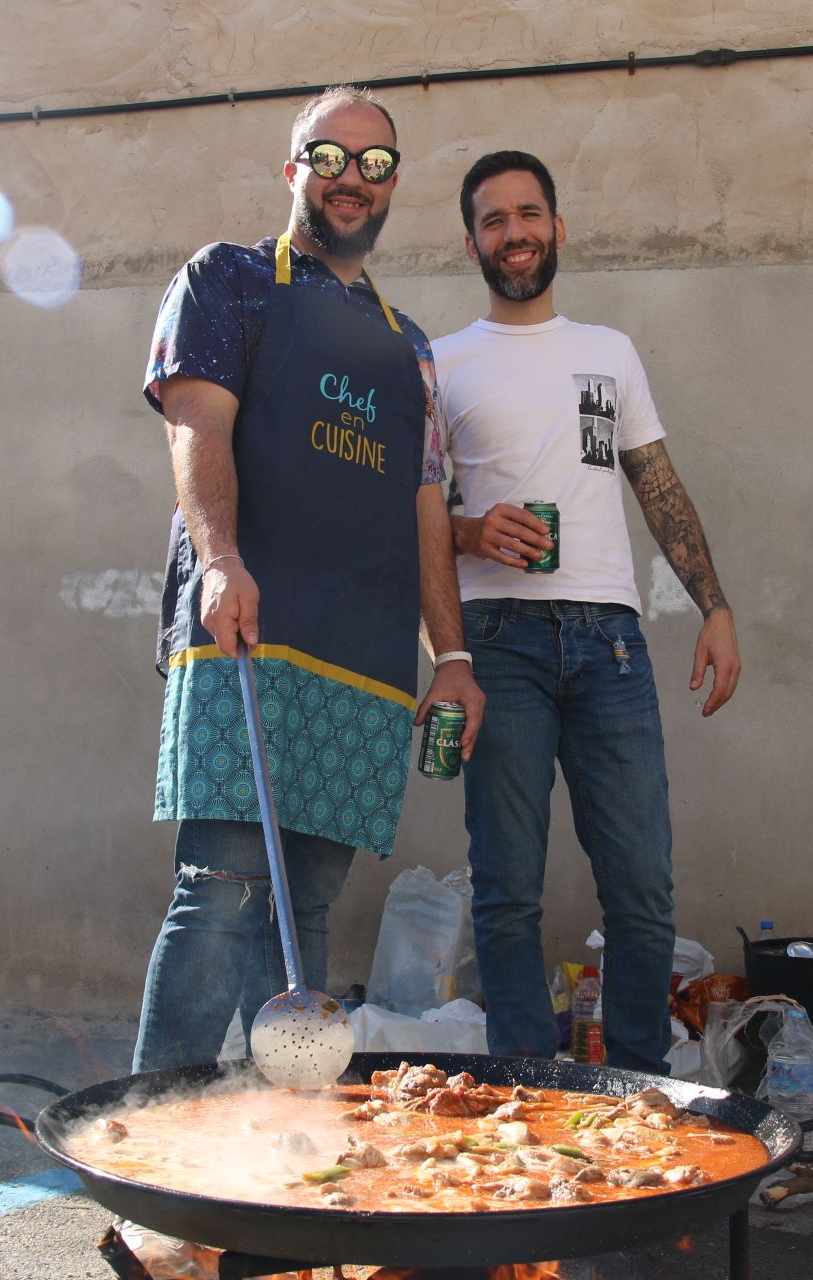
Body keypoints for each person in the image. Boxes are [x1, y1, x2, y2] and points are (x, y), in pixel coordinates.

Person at [133, 87, 484, 1073]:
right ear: (295, 170)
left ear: (393, 186)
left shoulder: (409, 346)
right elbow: (195, 424)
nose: (350, 179)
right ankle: (152, 1141)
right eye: (330, 157)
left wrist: (450, 656)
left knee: (307, 909)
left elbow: (424, 506)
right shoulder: (230, 280)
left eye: (375, 164)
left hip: (362, 666)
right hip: (247, 628)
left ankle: (277, 1148)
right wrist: (220, 559)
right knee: (223, 886)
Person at [434, 150, 740, 1076]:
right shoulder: (441, 364)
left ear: (558, 227)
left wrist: (714, 607)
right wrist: (472, 530)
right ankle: (526, 1087)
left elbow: (656, 484)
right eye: (494, 220)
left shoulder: (609, 352)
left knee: (643, 891)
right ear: (473, 242)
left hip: (610, 640)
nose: (515, 234)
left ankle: (642, 1087)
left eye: (529, 215)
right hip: (497, 645)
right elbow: (404, 521)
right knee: (507, 891)